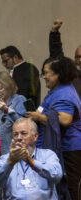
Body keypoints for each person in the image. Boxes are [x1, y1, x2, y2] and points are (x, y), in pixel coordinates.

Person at [27, 56, 81, 200]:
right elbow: (42, 109)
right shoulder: (55, 90)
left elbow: (65, 119)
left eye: (46, 73)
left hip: (69, 148)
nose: (43, 76)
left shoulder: (64, 93)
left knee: (71, 187)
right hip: (62, 147)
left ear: (58, 74)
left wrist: (39, 118)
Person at [0, 118, 63, 199]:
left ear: (35, 136)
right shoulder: (5, 159)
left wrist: (32, 162)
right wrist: (10, 162)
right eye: (15, 134)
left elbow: (57, 176)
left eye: (23, 133)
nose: (19, 137)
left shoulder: (48, 155)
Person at [49, 18, 81, 99]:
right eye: (78, 57)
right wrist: (54, 33)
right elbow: (57, 56)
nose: (80, 60)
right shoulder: (71, 73)